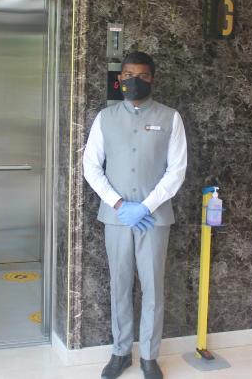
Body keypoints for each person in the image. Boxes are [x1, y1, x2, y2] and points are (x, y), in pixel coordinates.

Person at [83, 51, 187, 379]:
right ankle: (120, 352)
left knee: (153, 287)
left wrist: (146, 206)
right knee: (120, 284)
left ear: (151, 78)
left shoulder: (171, 118)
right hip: (116, 218)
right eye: (128, 75)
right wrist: (118, 204)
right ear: (120, 79)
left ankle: (150, 357)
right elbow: (91, 166)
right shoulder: (105, 118)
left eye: (141, 76)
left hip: (154, 219)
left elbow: (177, 170)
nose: (134, 81)